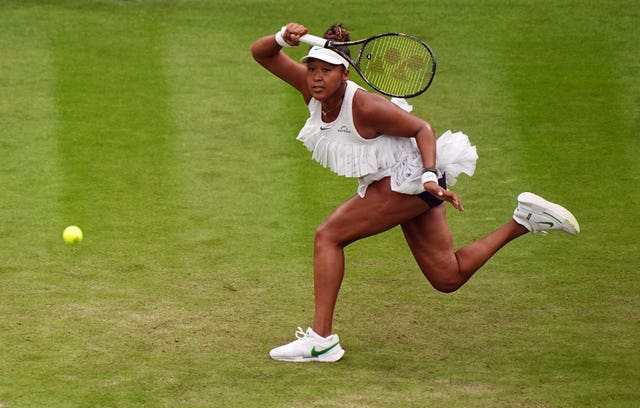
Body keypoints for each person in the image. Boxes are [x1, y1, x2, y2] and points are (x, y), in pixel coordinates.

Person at [251, 22, 580, 362]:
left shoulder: (366, 106)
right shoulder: (312, 92)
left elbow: (422, 128)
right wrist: (282, 37)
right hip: (409, 183)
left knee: (328, 236)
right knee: (447, 277)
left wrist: (426, 178)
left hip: (409, 180)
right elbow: (261, 53)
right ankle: (524, 220)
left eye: (327, 71)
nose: (317, 77)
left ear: (344, 75)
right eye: (313, 69)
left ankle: (321, 340)